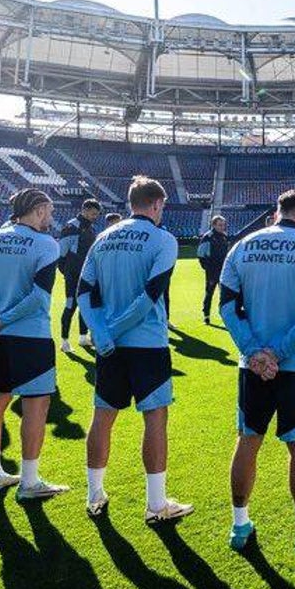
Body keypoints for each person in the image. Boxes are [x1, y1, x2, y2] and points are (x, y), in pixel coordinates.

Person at [220, 189, 295, 555]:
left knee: (248, 440)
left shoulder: (241, 247)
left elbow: (226, 307)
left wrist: (255, 352)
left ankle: (240, 527)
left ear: (277, 212)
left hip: (252, 367)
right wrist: (279, 353)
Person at [79, 176, 193, 524]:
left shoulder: (103, 237)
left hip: (111, 349)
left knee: (103, 417)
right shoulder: (163, 239)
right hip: (147, 344)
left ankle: (94, 494)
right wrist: (112, 330)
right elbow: (151, 295)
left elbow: (84, 292)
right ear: (156, 205)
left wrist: (101, 331)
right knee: (155, 419)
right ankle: (156, 505)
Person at [0, 189, 68, 501]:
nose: (50, 218)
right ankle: (30, 481)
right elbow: (39, 297)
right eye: (48, 211)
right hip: (31, 337)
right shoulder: (45, 244)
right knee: (36, 406)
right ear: (37, 210)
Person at [58, 199, 102, 352]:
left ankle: (83, 337)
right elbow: (61, 254)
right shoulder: (71, 227)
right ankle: (64, 341)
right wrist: (68, 273)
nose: (95, 216)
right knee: (71, 305)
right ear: (84, 210)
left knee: (86, 304)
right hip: (73, 275)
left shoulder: (91, 228)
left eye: (97, 214)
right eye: (93, 213)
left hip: (88, 274)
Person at [197, 214, 230, 323]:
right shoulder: (208, 237)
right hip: (212, 271)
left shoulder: (224, 236)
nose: (222, 227)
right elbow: (201, 254)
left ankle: (225, 315)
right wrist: (207, 268)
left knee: (225, 294)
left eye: (223, 225)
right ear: (213, 225)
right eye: (220, 225)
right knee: (209, 293)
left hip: (224, 270)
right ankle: (206, 315)